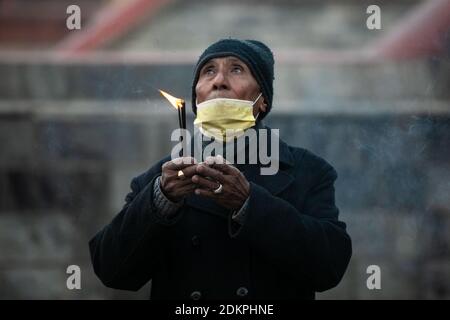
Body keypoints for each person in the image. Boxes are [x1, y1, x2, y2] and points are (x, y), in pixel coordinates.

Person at [89, 38, 352, 300]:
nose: (219, 81)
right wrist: (161, 200)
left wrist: (250, 204)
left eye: (236, 69)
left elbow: (329, 267)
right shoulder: (161, 177)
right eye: (209, 71)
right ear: (196, 97)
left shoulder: (307, 172)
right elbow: (112, 271)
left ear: (262, 101)